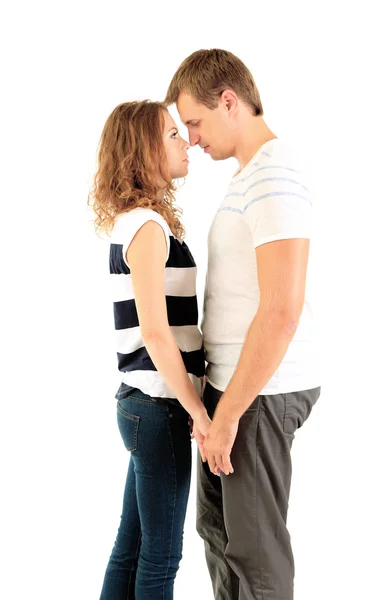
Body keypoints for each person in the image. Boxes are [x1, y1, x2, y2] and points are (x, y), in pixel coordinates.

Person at [164, 49, 321, 600]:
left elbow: (282, 310)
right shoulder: (249, 178)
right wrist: (213, 402)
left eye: (196, 122)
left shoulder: (274, 174)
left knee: (255, 555)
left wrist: (228, 415)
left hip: (258, 394)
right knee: (219, 536)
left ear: (229, 101)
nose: (193, 138)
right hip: (231, 392)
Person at [88, 100, 212, 600]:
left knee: (132, 545)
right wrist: (197, 411)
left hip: (145, 405)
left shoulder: (140, 222)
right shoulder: (146, 228)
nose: (186, 142)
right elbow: (157, 335)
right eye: (172, 134)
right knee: (160, 557)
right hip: (158, 407)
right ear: (143, 151)